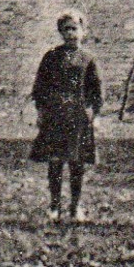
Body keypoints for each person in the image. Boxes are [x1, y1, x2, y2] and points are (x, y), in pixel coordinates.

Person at [29, 12, 102, 222]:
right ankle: (54, 204)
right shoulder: (51, 56)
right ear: (61, 32)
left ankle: (76, 205)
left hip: (78, 117)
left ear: (83, 31)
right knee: (55, 161)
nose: (71, 34)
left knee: (76, 162)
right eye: (66, 29)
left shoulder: (88, 59)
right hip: (55, 116)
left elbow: (96, 90)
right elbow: (40, 87)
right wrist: (41, 111)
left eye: (75, 29)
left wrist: (94, 114)